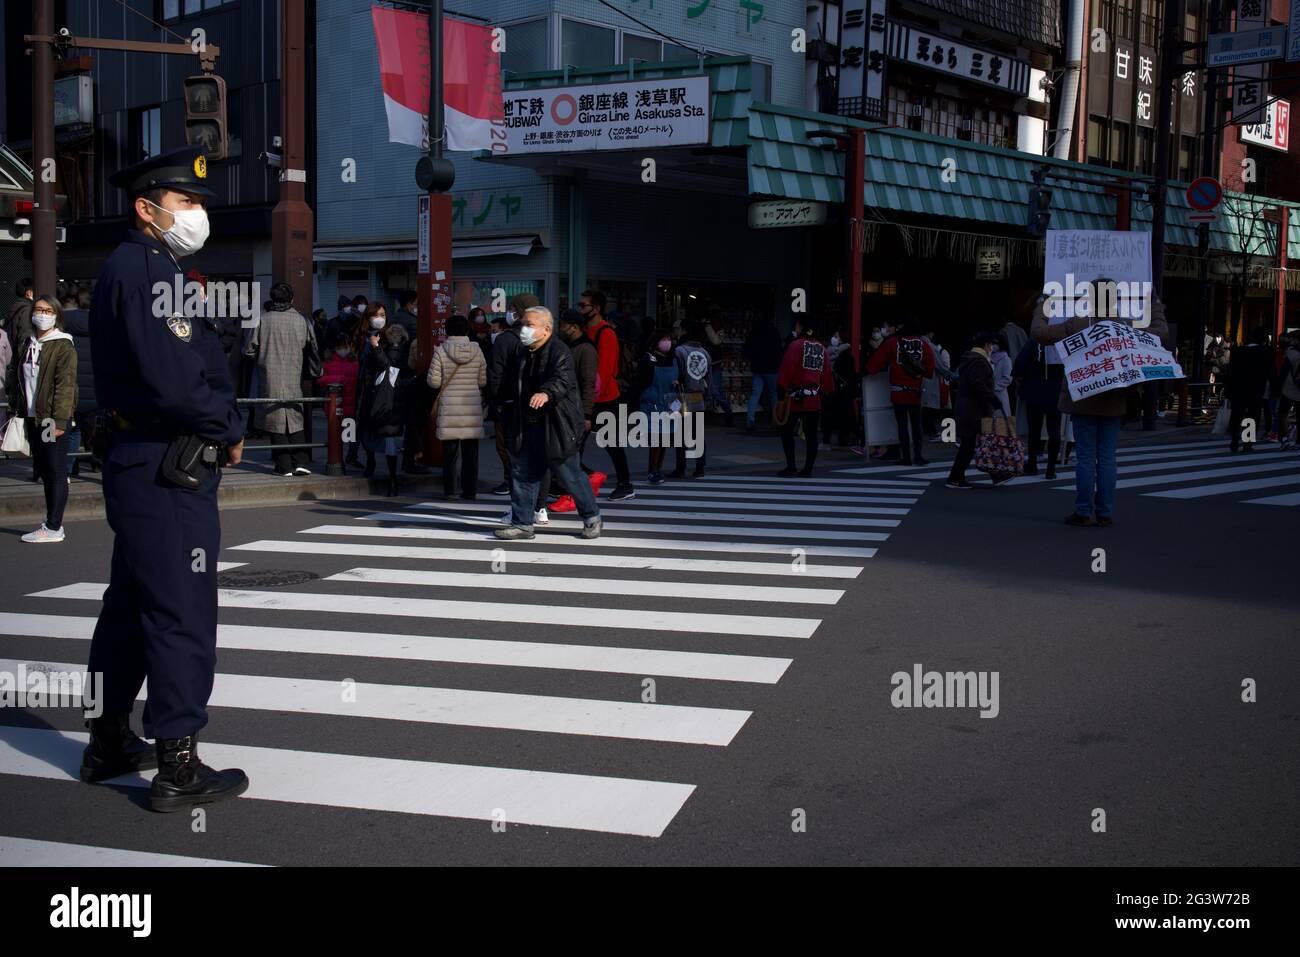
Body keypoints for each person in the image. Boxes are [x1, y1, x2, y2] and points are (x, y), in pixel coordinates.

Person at [84, 146, 247, 811]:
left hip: (138, 461)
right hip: (167, 466)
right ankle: (178, 761)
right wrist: (228, 428)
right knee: (180, 607)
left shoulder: (137, 267)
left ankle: (108, 738)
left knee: (129, 604)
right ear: (146, 209)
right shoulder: (151, 272)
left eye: (200, 202)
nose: (197, 213)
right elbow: (178, 382)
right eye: (186, 202)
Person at [1031, 292, 1170, 526]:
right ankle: (1104, 512)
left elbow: (1040, 334)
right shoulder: (1123, 327)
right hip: (1114, 401)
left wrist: (1042, 306)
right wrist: (1155, 306)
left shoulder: (1077, 324)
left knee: (1085, 457)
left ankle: (1083, 511)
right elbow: (1159, 334)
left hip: (1083, 398)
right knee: (1107, 458)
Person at [495, 307, 602, 541]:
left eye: (529, 325)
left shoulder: (559, 351)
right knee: (523, 473)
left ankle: (592, 517)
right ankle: (522, 524)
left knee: (569, 475)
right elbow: (511, 383)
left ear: (546, 329)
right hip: (528, 424)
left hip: (557, 424)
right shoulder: (522, 352)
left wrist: (546, 393)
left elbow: (563, 379)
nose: (524, 329)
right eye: (523, 324)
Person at [5, 294, 77, 541]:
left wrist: (59, 421)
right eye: (38, 309)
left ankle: (54, 526)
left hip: (50, 418)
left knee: (55, 470)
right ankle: (51, 523)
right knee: (46, 469)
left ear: (57, 315)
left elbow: (65, 386)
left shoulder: (63, 345)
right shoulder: (28, 342)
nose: (42, 314)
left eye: (48, 311)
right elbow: (17, 375)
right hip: (33, 417)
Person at [246, 281, 313, 476]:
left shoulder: (262, 320)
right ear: (292, 298)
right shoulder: (301, 321)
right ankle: (301, 461)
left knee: (274, 419)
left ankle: (283, 465)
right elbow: (308, 346)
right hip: (294, 374)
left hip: (269, 375)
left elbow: (249, 349)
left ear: (272, 298)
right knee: (294, 417)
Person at [581, 288, 634, 500]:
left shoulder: (606, 333)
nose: (581, 308)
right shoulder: (586, 332)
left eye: (584, 305)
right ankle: (588, 478)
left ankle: (625, 484)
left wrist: (589, 401)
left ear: (597, 308)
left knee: (612, 445)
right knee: (575, 446)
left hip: (605, 399)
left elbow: (605, 371)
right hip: (590, 399)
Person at [428, 314, 487, 499]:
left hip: (450, 408)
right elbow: (482, 381)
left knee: (450, 454)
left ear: (447, 331)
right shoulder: (476, 350)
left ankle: (450, 491)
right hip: (471, 407)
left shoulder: (441, 351)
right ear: (467, 330)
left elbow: (434, 382)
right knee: (471, 454)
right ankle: (470, 491)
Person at [865, 318, 935, 465]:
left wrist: (867, 371)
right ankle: (918, 456)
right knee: (916, 425)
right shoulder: (923, 343)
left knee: (902, 424)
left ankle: (906, 457)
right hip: (915, 391)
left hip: (898, 392)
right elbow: (930, 368)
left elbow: (876, 363)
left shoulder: (893, 342)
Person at [549, 308, 600, 510]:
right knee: (568, 454)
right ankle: (573, 490)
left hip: (577, 410)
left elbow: (588, 383)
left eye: (563, 324)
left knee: (571, 456)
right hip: (566, 407)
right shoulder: (567, 345)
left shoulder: (585, 349)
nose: (560, 328)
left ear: (574, 327)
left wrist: (587, 414)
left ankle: (576, 496)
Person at [946, 331, 1010, 489]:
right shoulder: (979, 361)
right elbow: (979, 385)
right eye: (991, 345)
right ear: (986, 345)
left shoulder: (970, 359)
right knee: (976, 445)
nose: (993, 348)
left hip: (970, 409)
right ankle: (956, 478)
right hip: (975, 410)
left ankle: (994, 476)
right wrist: (993, 398)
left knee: (977, 445)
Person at [776, 320, 834, 477]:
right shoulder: (821, 348)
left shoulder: (796, 345)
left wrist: (780, 392)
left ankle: (791, 465)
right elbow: (827, 374)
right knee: (811, 435)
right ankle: (808, 468)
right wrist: (827, 391)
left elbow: (787, 369)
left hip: (795, 398)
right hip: (814, 398)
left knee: (786, 430)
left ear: (800, 328)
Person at [359, 320, 409, 496]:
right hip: (391, 402)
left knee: (379, 437)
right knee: (386, 440)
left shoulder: (391, 350)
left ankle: (389, 477)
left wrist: (375, 347)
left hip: (383, 401)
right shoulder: (403, 349)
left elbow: (384, 364)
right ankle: (391, 479)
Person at [1012, 339, 1063, 479]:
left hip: (1034, 389)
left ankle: (1032, 463)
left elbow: (1020, 363)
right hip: (1055, 390)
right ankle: (1051, 468)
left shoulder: (1034, 341)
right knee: (1054, 429)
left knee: (1034, 429)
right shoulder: (1062, 340)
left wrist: (1020, 381)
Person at [60, 288, 98, 474]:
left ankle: (70, 466)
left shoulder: (64, 327)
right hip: (95, 389)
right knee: (93, 429)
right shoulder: (100, 325)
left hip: (72, 388)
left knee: (72, 430)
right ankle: (96, 462)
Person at [637, 329, 681, 484]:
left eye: (669, 338)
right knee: (657, 439)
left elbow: (679, 378)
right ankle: (653, 471)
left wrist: (678, 384)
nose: (667, 342)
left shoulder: (673, 359)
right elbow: (639, 384)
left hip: (669, 406)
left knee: (664, 440)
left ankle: (657, 469)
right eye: (664, 338)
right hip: (652, 405)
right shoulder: (648, 359)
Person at [1225, 326, 1273, 453]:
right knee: (1252, 416)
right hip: (1256, 389)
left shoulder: (1238, 351)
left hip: (1238, 388)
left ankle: (1234, 439)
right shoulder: (1264, 352)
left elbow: (1230, 372)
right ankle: (1247, 443)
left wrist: (1228, 390)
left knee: (1237, 414)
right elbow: (1270, 373)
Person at [319, 332, 359, 466]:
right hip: (334, 405)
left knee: (350, 434)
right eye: (340, 347)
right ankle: (338, 459)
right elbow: (320, 380)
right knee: (336, 434)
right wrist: (340, 380)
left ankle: (351, 457)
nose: (343, 349)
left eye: (346, 346)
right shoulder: (328, 362)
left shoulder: (355, 362)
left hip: (351, 403)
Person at [743, 314, 783, 430]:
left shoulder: (755, 332)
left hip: (758, 368)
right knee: (773, 395)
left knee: (755, 394)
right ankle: (775, 421)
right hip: (772, 368)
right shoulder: (774, 332)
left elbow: (746, 349)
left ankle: (750, 421)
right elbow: (779, 351)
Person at [823, 328, 857, 448]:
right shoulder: (827, 353)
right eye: (834, 336)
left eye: (837, 336)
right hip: (831, 388)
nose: (834, 338)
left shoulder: (846, 355)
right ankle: (827, 439)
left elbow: (849, 375)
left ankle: (844, 438)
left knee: (842, 416)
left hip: (841, 391)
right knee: (829, 414)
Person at [701, 309, 733, 427]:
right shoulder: (702, 328)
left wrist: (708, 326)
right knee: (699, 391)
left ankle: (728, 413)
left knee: (715, 392)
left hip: (714, 365)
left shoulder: (717, 327)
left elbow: (716, 341)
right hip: (702, 364)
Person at [1276, 333, 1300, 448]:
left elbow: (1283, 372)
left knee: (1283, 414)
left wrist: (1277, 387)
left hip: (1289, 388)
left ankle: (1285, 439)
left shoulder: (1291, 353)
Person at [6, 277, 33, 353]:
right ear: (29, 293)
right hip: (23, 356)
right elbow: (26, 336)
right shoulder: (27, 309)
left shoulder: (16, 306)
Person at [990, 333, 1013, 417]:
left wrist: (995, 387)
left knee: (1001, 426)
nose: (993, 346)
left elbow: (1008, 378)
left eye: (995, 343)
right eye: (992, 343)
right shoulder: (989, 357)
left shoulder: (1006, 359)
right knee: (988, 425)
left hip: (1000, 394)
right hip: (989, 395)